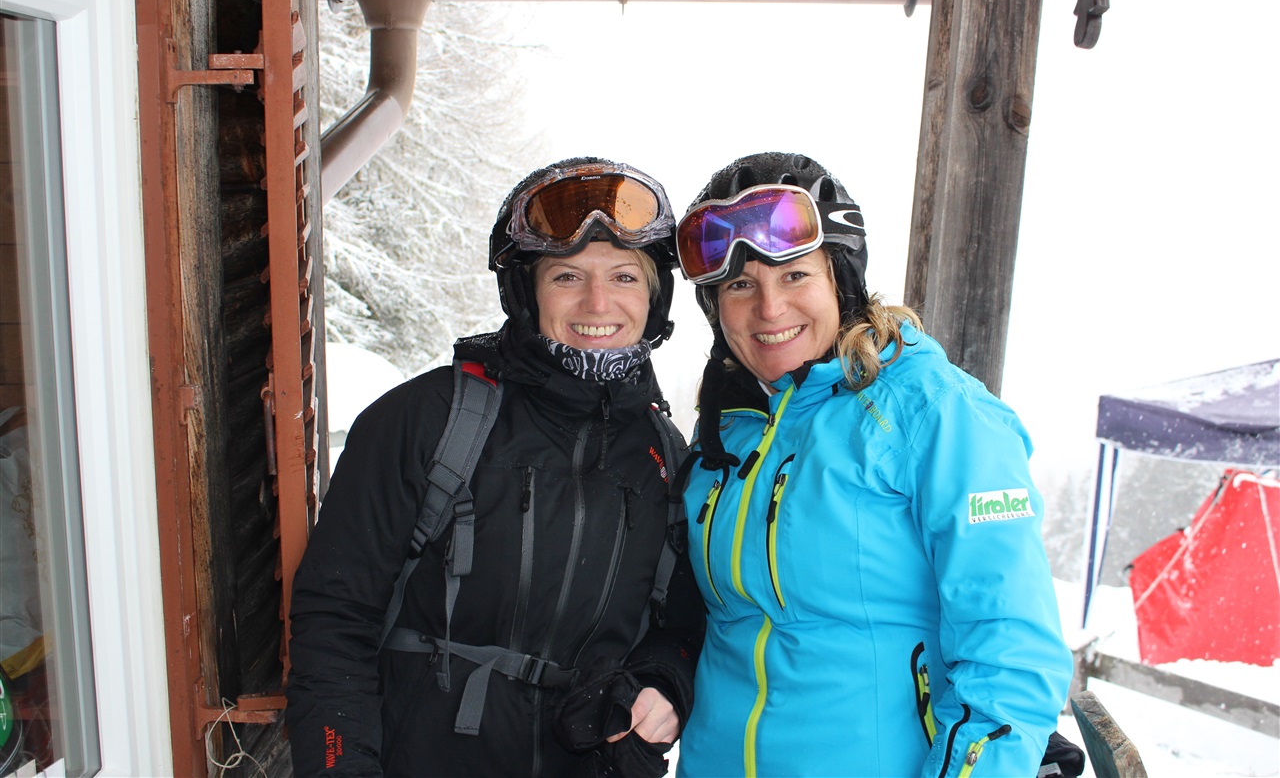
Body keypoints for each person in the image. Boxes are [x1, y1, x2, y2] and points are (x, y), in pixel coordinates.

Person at [286, 157, 705, 777]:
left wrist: (663, 684)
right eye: (567, 276)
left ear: (654, 297)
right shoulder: (430, 421)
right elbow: (334, 621)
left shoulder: (666, 461)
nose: (598, 302)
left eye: (624, 276)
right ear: (526, 293)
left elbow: (682, 627)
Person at [671, 152, 1074, 778]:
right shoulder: (725, 429)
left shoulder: (935, 413)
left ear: (841, 278)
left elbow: (1010, 651)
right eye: (740, 286)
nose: (770, 308)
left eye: (795, 275)